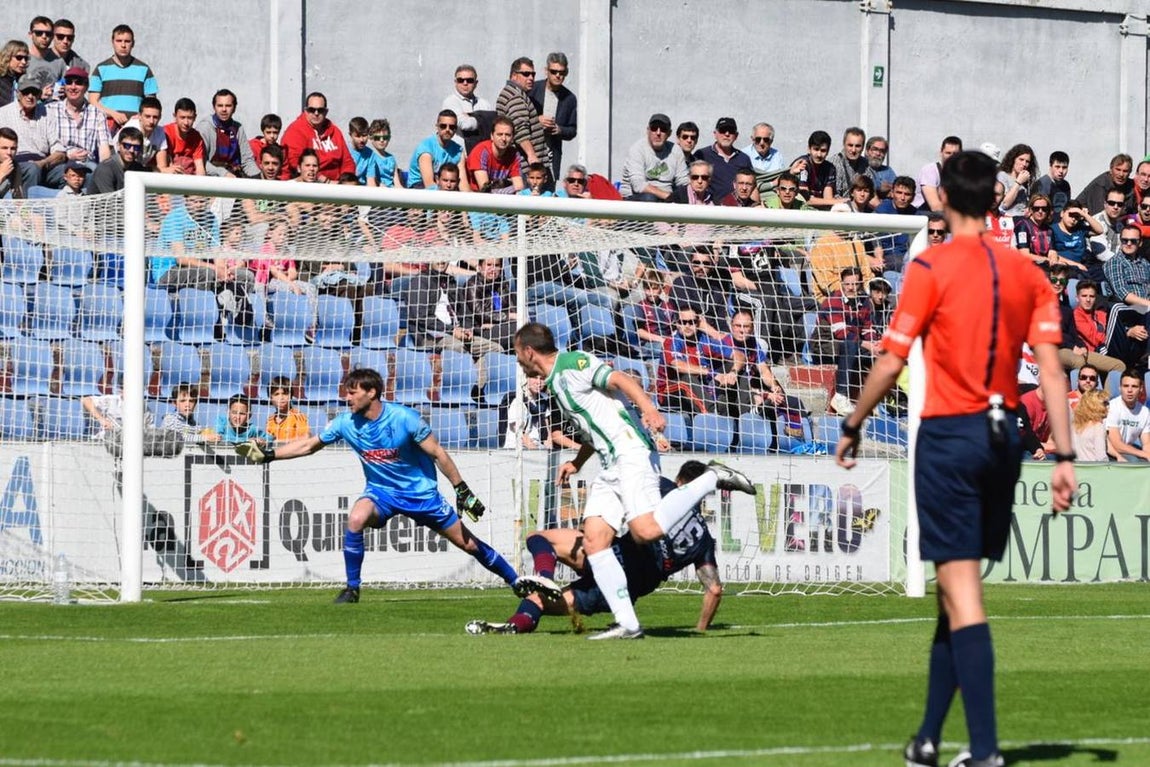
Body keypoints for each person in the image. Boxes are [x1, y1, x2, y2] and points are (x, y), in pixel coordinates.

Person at [835, 150, 1076, 767]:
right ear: (996, 197)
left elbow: (891, 359)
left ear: (942, 196)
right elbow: (1050, 368)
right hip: (1007, 436)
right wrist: (1065, 455)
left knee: (962, 592)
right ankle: (927, 740)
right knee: (952, 589)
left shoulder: (931, 266)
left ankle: (988, 751)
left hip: (950, 434)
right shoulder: (1027, 271)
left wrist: (854, 421)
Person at [234, 367, 561, 604]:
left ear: (371, 392)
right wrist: (270, 455)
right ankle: (352, 588)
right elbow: (308, 445)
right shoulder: (346, 422)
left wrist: (462, 489)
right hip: (382, 494)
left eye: (352, 391)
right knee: (356, 518)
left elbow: (438, 453)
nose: (346, 396)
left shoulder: (404, 419)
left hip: (422, 497)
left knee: (469, 544)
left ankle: (515, 580)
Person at [512, 322, 755, 639]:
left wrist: (649, 409)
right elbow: (595, 428)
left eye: (517, 352)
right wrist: (576, 461)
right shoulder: (556, 382)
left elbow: (619, 378)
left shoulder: (572, 363)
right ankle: (628, 623)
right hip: (609, 463)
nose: (517, 360)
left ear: (529, 351)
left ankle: (712, 478)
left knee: (645, 530)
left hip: (631, 452)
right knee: (595, 541)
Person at [466, 460, 723, 635]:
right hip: (621, 588)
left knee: (539, 537)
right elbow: (714, 590)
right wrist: (700, 630)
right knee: (539, 601)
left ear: (681, 482)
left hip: (610, 554)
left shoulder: (663, 487)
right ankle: (523, 613)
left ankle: (540, 585)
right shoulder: (703, 540)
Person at [87, 24, 158, 130]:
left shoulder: (144, 69)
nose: (123, 45)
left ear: (133, 44)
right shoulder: (101, 68)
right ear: (112, 42)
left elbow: (151, 102)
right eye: (119, 41)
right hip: (107, 125)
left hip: (136, 127)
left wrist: (140, 116)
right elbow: (93, 101)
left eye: (127, 41)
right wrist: (113, 114)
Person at [278, 92, 355, 182]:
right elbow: (295, 163)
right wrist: (324, 180)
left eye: (320, 110)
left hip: (337, 186)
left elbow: (347, 161)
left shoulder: (335, 131)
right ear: (305, 110)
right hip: (309, 184)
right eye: (312, 110)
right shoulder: (295, 130)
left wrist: (345, 182)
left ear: (326, 112)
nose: (316, 113)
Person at [529, 52, 577, 182]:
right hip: (529, 154)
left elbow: (572, 130)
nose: (558, 75)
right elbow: (519, 118)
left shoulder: (569, 98)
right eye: (554, 71)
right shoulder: (533, 90)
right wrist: (537, 119)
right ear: (546, 71)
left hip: (551, 158)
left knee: (548, 194)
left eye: (561, 72)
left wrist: (559, 130)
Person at [620, 112, 688, 202]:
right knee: (650, 198)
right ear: (648, 130)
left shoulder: (675, 150)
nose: (658, 133)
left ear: (669, 133)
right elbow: (638, 185)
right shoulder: (637, 149)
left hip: (667, 199)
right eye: (654, 128)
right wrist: (668, 196)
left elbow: (683, 181)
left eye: (663, 129)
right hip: (637, 199)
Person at [195, 88, 258, 179]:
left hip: (235, 176)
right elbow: (201, 161)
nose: (224, 109)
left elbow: (247, 160)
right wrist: (223, 173)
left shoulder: (238, 128)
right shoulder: (205, 128)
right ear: (214, 107)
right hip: (211, 179)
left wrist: (258, 177)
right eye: (220, 105)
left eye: (228, 105)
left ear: (234, 108)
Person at [441, 64, 492, 150]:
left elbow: (492, 126)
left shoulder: (485, 104)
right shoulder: (450, 102)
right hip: (458, 155)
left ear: (476, 83)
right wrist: (484, 119)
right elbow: (465, 125)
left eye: (470, 80)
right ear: (455, 82)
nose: (465, 83)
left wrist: (470, 116)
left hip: (481, 155)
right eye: (461, 80)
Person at [1106, 369, 1150, 462]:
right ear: (1120, 388)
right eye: (1126, 386)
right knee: (1134, 461)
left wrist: (1148, 455)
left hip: (1128, 451)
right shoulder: (1112, 407)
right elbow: (1116, 444)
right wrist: (1144, 454)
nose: (1129, 390)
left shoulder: (1145, 412)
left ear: (1141, 389)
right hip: (1111, 453)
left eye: (1134, 386)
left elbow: (1146, 444)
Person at [155, 97, 205, 176]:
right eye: (182, 117)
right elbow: (166, 165)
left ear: (195, 117)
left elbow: (200, 167)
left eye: (190, 118)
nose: (186, 122)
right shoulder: (166, 132)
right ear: (175, 116)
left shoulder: (196, 137)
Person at [264, 376, 310, 443]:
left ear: (291, 395)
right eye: (276, 394)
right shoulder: (270, 420)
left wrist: (280, 442)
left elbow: (306, 437)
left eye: (285, 394)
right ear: (270, 397)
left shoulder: (298, 416)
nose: (281, 398)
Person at [1072, 389, 1110, 461]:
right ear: (1094, 405)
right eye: (1105, 403)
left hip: (1076, 468)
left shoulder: (1074, 426)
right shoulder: (1098, 427)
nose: (1108, 406)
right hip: (1094, 469)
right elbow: (1101, 457)